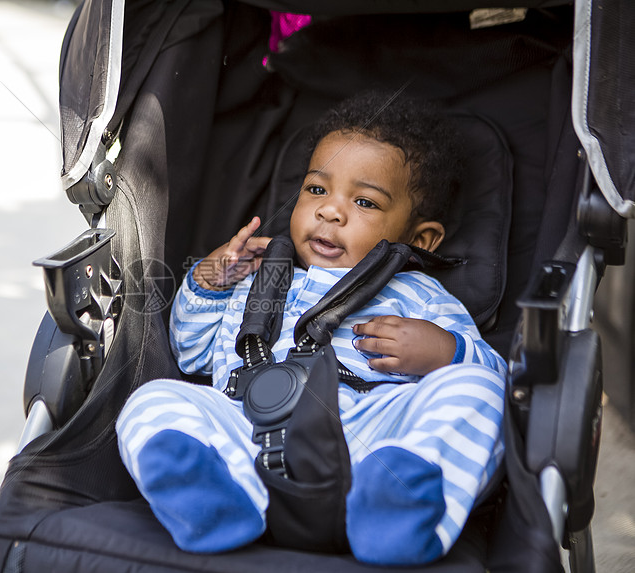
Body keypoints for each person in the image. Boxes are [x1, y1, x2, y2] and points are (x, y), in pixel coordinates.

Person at [116, 93, 507, 566]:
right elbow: (192, 354)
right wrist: (207, 285)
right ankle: (213, 499)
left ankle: (399, 509)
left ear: (419, 239)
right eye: (317, 190)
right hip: (246, 435)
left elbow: (492, 375)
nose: (330, 211)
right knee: (154, 399)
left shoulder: (420, 297)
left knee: (479, 388)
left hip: (369, 447)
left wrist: (445, 351)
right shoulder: (255, 277)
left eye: (364, 201)